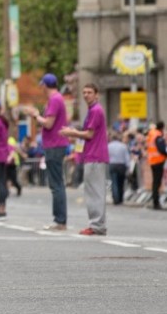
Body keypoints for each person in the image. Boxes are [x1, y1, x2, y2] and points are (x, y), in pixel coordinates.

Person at [59, 83, 109, 236]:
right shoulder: (93, 110)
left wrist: (72, 132)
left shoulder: (95, 110)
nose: (86, 95)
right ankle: (96, 224)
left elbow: (89, 134)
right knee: (93, 190)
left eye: (89, 92)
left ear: (96, 94)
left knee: (95, 192)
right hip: (92, 155)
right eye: (84, 92)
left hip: (95, 156)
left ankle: (97, 225)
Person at [24, 73, 70, 230]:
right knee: (57, 183)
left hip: (54, 144)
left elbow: (49, 123)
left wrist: (36, 115)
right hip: (55, 144)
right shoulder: (57, 99)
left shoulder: (54, 99)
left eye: (41, 85)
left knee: (56, 184)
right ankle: (60, 219)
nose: (41, 88)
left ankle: (60, 220)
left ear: (45, 85)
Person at [146, 121, 167, 210]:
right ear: (162, 127)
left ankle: (155, 201)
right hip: (158, 161)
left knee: (155, 182)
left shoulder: (151, 134)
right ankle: (156, 203)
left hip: (152, 161)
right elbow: (161, 149)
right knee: (157, 183)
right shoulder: (158, 136)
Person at [107, 132, 130, 205]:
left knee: (114, 182)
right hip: (121, 165)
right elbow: (127, 157)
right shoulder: (123, 146)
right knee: (121, 182)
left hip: (113, 164)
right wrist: (128, 166)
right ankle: (120, 198)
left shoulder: (109, 146)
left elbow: (107, 156)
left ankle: (115, 198)